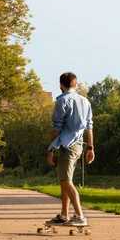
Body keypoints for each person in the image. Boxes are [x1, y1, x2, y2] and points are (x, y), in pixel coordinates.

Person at [46, 72, 95, 226]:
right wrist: (91, 148)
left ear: (61, 85)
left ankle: (80, 216)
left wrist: (51, 148)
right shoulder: (85, 101)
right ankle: (64, 214)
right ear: (75, 83)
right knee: (64, 180)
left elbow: (56, 128)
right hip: (79, 145)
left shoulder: (62, 101)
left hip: (68, 146)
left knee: (66, 181)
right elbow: (89, 127)